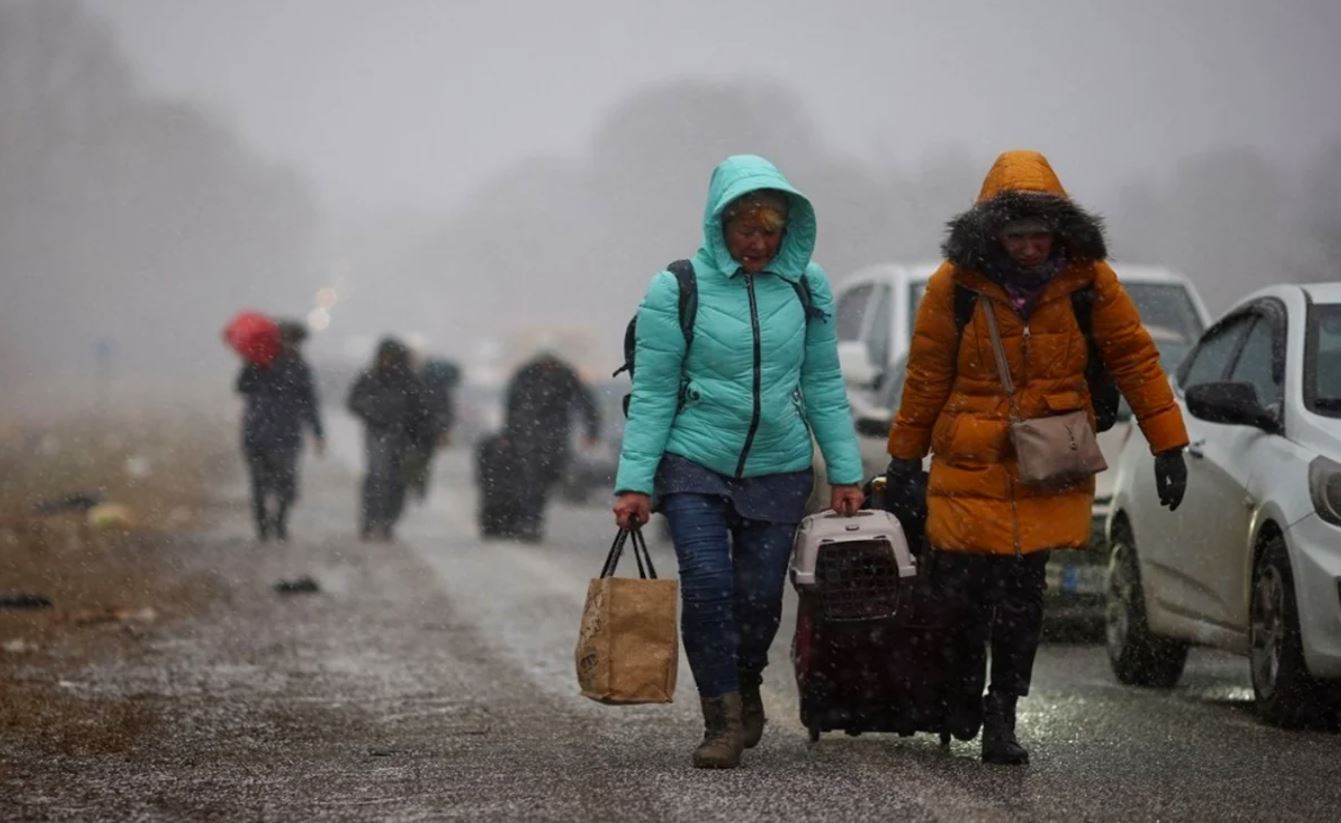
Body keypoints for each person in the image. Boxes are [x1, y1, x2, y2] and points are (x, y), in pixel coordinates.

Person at [884, 150, 1189, 766]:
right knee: (964, 594)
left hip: (1047, 461)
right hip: (970, 459)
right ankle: (962, 691)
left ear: (1059, 232)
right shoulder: (957, 287)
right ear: (992, 233)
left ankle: (1003, 712)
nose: (1028, 248)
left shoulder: (1089, 282)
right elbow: (926, 375)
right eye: (1015, 235)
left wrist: (1168, 442)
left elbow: (1134, 359)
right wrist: (904, 459)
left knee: (1023, 596)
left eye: (1038, 235)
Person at [613, 155, 864, 769]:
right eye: (745, 229)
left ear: (788, 232)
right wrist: (634, 483)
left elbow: (824, 381)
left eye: (769, 231)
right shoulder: (676, 286)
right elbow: (652, 391)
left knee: (758, 600)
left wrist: (846, 470)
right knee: (706, 584)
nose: (756, 243)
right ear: (719, 224)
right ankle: (721, 716)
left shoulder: (808, 285)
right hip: (694, 457)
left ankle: (745, 676)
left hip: (779, 464)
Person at [235, 319, 324, 542]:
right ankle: (263, 526)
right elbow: (241, 387)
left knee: (285, 483)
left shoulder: (300, 367)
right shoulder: (256, 362)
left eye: (294, 341)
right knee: (260, 484)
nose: (290, 345)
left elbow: (309, 402)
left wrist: (318, 432)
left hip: (284, 435)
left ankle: (279, 523)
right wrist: (254, 365)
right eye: (287, 340)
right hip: (258, 435)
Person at [502, 350, 599, 541]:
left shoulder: (563, 376)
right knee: (531, 480)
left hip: (550, 434)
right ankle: (529, 521)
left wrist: (592, 430)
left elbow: (586, 403)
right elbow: (512, 404)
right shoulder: (530, 375)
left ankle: (530, 520)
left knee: (543, 478)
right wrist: (510, 431)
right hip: (532, 433)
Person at [347, 337, 427, 541]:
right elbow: (354, 401)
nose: (387, 361)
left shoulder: (410, 380)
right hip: (377, 433)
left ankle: (387, 521)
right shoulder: (371, 377)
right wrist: (373, 412)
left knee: (397, 482)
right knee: (377, 477)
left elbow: (421, 409)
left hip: (404, 437)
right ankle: (371, 520)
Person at [402, 358, 459, 501]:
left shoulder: (416, 385)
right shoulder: (441, 391)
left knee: (414, 459)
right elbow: (447, 413)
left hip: (416, 431)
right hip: (429, 432)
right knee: (423, 461)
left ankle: (411, 485)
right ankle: (418, 487)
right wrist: (442, 430)